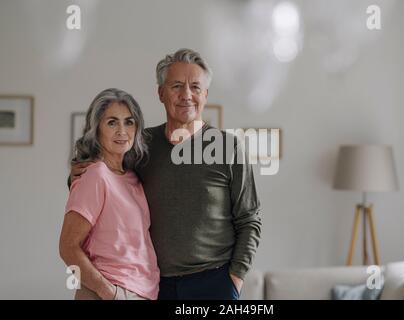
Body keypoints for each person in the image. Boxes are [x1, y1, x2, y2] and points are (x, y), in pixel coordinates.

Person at [70, 49, 261, 300]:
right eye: (176, 86)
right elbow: (103, 179)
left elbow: (249, 219)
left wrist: (235, 278)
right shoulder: (140, 145)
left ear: (205, 94)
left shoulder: (228, 147)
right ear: (160, 93)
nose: (186, 95)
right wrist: (76, 172)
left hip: (214, 282)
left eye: (195, 87)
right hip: (155, 286)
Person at [60, 88, 159, 300]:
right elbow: (67, 247)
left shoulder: (133, 177)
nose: (122, 130)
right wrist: (108, 292)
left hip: (142, 291)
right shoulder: (95, 175)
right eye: (112, 122)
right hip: (109, 291)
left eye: (129, 122)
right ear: (96, 130)